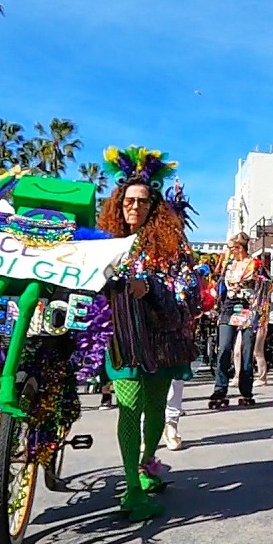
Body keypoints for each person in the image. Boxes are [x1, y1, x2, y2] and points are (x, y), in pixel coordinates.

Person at [99, 145, 201, 521]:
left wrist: (153, 290)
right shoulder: (103, 243)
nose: (134, 207)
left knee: (156, 406)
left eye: (142, 202)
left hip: (164, 339)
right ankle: (130, 487)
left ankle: (146, 464)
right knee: (129, 406)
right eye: (128, 201)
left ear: (153, 206)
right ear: (118, 202)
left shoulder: (173, 247)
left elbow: (189, 292)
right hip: (123, 338)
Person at [210, 232, 262, 406]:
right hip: (230, 305)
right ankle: (220, 388)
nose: (230, 251)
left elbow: (265, 285)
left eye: (232, 247)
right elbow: (220, 284)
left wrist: (260, 309)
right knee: (224, 347)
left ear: (240, 247)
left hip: (248, 305)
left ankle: (246, 389)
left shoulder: (255, 264)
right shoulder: (230, 265)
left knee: (247, 350)